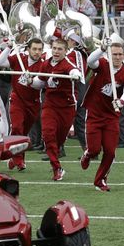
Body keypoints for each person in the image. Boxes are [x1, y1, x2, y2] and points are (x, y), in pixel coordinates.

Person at [80, 39, 124, 191]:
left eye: (120, 54)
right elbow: (91, 61)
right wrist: (102, 48)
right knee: (94, 149)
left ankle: (100, 180)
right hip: (94, 113)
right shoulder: (103, 64)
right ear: (109, 55)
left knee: (110, 151)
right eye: (114, 54)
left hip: (111, 116)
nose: (117, 57)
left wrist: (122, 101)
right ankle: (88, 154)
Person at [32, 37, 83, 181]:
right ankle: (56, 167)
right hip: (50, 105)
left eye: (60, 49)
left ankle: (56, 155)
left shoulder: (67, 65)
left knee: (59, 140)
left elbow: (75, 71)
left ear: (65, 51)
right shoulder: (46, 64)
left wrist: (75, 75)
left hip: (67, 107)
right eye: (54, 48)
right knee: (48, 135)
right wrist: (30, 80)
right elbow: (39, 83)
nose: (56, 51)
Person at [0, 38, 44, 172]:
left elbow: (41, 84)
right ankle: (19, 160)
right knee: (17, 128)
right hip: (17, 99)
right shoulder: (19, 58)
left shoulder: (43, 65)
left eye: (39, 49)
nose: (37, 52)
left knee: (23, 133)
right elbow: (0, 62)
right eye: (34, 49)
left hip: (33, 103)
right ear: (28, 49)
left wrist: (31, 81)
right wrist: (9, 47)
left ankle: (15, 158)